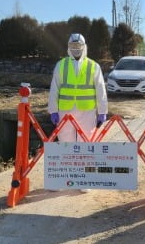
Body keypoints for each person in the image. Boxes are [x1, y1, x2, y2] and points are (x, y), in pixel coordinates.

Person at [48, 33, 108, 193]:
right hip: (65, 110)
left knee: (86, 144)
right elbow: (54, 89)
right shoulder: (61, 65)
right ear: (68, 48)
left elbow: (101, 90)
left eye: (78, 46)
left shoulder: (93, 66)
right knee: (65, 143)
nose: (76, 49)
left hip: (87, 111)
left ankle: (84, 179)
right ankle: (63, 178)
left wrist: (102, 112)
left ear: (84, 46)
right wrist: (53, 110)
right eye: (73, 46)